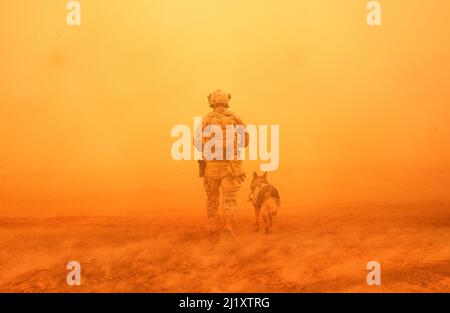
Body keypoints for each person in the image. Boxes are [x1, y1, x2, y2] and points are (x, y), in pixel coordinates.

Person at [195, 90, 249, 239]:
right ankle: (228, 226)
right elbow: (245, 141)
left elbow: (197, 144)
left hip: (211, 166)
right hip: (231, 167)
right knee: (229, 200)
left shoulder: (206, 119)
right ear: (226, 101)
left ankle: (213, 231)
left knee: (212, 200)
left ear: (212, 102)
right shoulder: (235, 118)